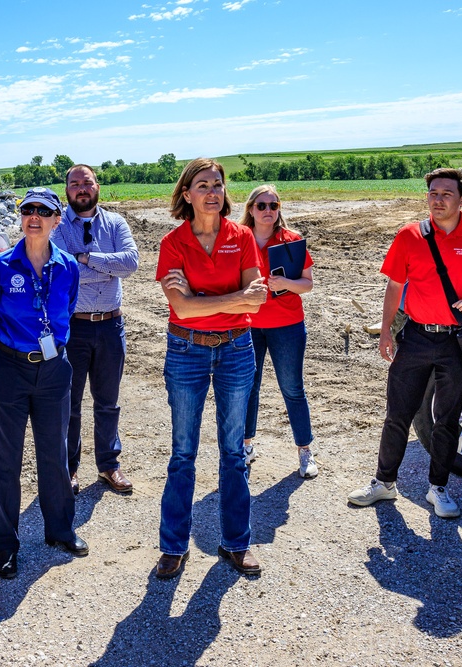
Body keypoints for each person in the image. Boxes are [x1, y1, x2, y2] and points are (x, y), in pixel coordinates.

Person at [347, 168, 462, 518]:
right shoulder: (410, 236)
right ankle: (384, 483)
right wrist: (387, 329)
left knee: (447, 419)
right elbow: (394, 286)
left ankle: (438, 489)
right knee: (398, 415)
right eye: (433, 193)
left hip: (457, 342)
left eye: (446, 194)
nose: (438, 200)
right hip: (417, 338)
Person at [154, 158, 268, 579]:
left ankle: (236, 543)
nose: (212, 192)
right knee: (183, 452)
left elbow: (256, 301)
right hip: (186, 351)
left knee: (233, 452)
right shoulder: (174, 242)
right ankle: (173, 546)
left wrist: (206, 301)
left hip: (237, 349)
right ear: (187, 194)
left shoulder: (241, 236)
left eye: (217, 184)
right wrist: (232, 299)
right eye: (203, 185)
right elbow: (179, 307)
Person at [0, 187, 87, 579]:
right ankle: (5, 546)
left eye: (44, 211)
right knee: (5, 461)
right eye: (28, 210)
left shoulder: (68, 268)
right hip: (9, 368)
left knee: (55, 453)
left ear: (58, 220)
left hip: (54, 370)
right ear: (21, 217)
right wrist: (14, 354)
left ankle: (59, 530)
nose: (34, 216)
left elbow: (68, 307)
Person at [51, 164, 139, 496]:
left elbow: (130, 263)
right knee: (69, 403)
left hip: (111, 325)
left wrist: (86, 259)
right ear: (67, 191)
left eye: (86, 183)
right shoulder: (57, 226)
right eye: (75, 184)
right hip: (74, 327)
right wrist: (105, 266)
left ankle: (108, 466)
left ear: (97, 186)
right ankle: (69, 469)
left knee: (108, 402)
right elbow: (62, 271)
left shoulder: (116, 223)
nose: (81, 189)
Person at [239, 184, 317, 477]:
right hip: (248, 326)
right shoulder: (239, 239)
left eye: (273, 205)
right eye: (262, 205)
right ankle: (246, 445)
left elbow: (308, 284)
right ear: (251, 209)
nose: (268, 211)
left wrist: (285, 285)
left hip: (287, 326)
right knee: (248, 389)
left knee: (293, 389)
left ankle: (305, 451)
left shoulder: (291, 241)